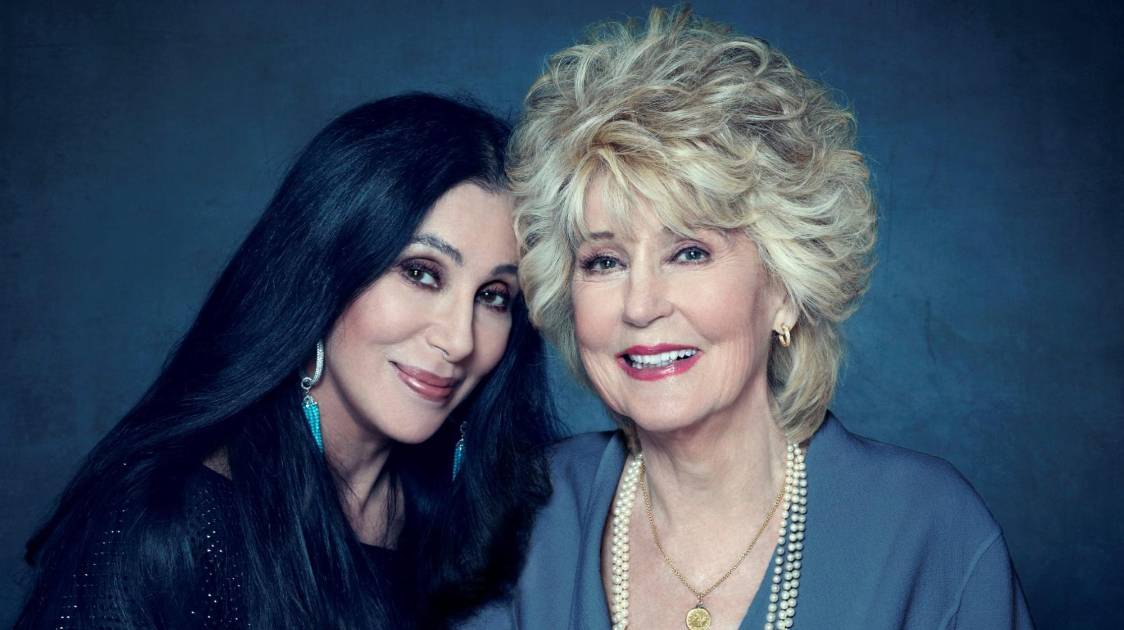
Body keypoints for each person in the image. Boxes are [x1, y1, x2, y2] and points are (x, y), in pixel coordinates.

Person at [464, 8, 1033, 629]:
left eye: (690, 252)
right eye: (604, 261)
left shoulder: (929, 533)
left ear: (784, 288)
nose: (641, 305)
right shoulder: (521, 516)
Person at [17, 93, 559, 629]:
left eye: (493, 296)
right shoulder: (166, 523)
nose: (459, 339)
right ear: (325, 270)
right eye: (421, 273)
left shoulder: (484, 515)